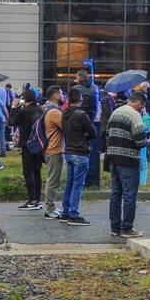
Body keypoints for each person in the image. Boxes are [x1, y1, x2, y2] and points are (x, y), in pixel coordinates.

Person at [106, 90, 149, 238]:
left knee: (116, 193)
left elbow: (108, 133)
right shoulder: (135, 115)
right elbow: (140, 140)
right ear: (140, 103)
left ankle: (115, 227)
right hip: (129, 159)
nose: (142, 109)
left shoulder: (115, 112)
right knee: (130, 195)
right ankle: (127, 228)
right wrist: (146, 141)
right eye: (142, 106)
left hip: (113, 158)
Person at [59, 87, 97, 226]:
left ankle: (65, 212)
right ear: (81, 99)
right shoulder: (81, 114)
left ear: (68, 99)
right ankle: (74, 215)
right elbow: (93, 133)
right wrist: (85, 134)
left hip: (68, 151)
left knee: (69, 183)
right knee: (78, 185)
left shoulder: (64, 113)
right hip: (80, 152)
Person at [12, 90, 45, 210]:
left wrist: (13, 107)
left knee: (28, 171)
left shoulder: (24, 111)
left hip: (27, 143)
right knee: (37, 171)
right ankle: (38, 199)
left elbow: (11, 122)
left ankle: (32, 199)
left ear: (25, 99)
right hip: (38, 144)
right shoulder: (40, 109)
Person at [39, 86, 66, 219]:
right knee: (53, 181)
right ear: (56, 96)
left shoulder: (49, 110)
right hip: (54, 149)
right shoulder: (55, 112)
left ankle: (51, 207)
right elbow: (66, 127)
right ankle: (49, 208)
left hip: (51, 149)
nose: (63, 96)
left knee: (53, 179)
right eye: (61, 94)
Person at [74, 70, 103, 187]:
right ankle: (93, 181)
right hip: (93, 122)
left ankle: (81, 181)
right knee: (92, 152)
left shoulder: (77, 89)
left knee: (79, 154)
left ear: (79, 78)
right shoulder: (95, 88)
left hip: (79, 123)